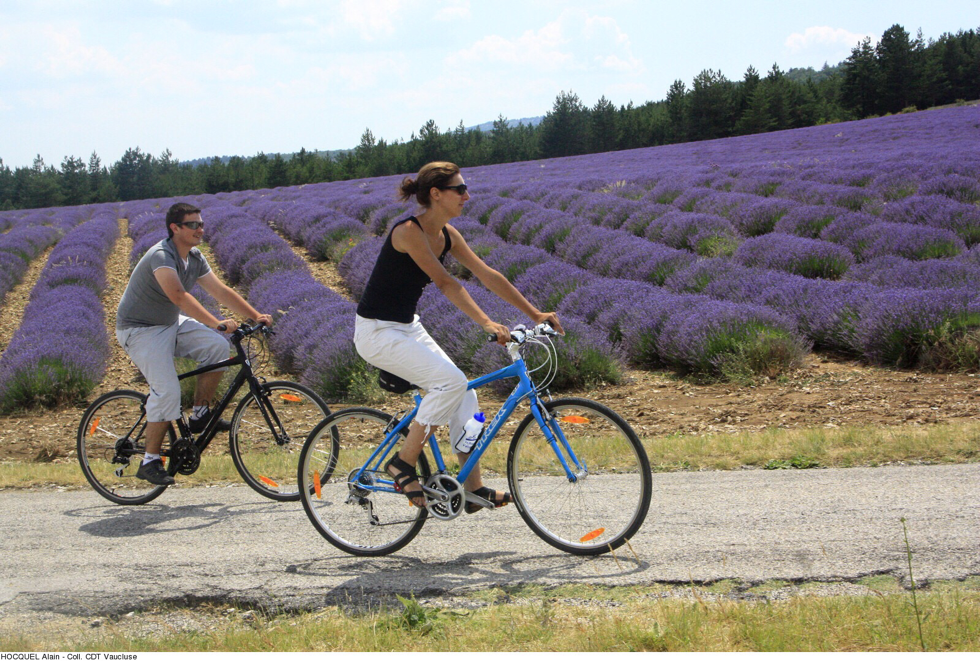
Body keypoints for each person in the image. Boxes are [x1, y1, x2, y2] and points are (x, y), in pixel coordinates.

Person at [354, 162, 564, 511]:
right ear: (436, 194)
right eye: (459, 189)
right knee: (450, 383)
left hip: (406, 326)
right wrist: (486, 322)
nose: (467, 195)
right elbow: (446, 282)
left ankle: (472, 488)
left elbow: (488, 275)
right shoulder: (408, 232)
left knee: (463, 394)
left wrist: (535, 314)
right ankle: (402, 463)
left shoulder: (448, 234)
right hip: (377, 331)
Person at [116, 202, 273, 486]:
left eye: (201, 223)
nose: (200, 229)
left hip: (168, 324)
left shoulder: (195, 257)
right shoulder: (162, 256)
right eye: (193, 225)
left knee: (216, 348)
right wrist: (216, 322)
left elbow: (220, 290)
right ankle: (149, 461)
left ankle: (200, 414)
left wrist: (255, 315)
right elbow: (179, 296)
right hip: (139, 330)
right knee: (167, 392)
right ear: (175, 228)